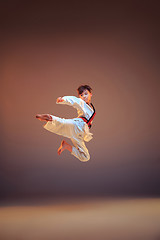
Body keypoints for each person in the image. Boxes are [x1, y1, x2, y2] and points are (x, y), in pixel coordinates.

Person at [36, 85, 96, 162]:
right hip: (78, 125)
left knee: (85, 157)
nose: (84, 96)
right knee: (63, 123)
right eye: (81, 95)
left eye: (86, 94)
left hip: (79, 134)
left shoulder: (91, 107)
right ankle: (50, 118)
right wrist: (63, 99)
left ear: (90, 94)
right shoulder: (82, 103)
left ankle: (66, 146)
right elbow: (74, 100)